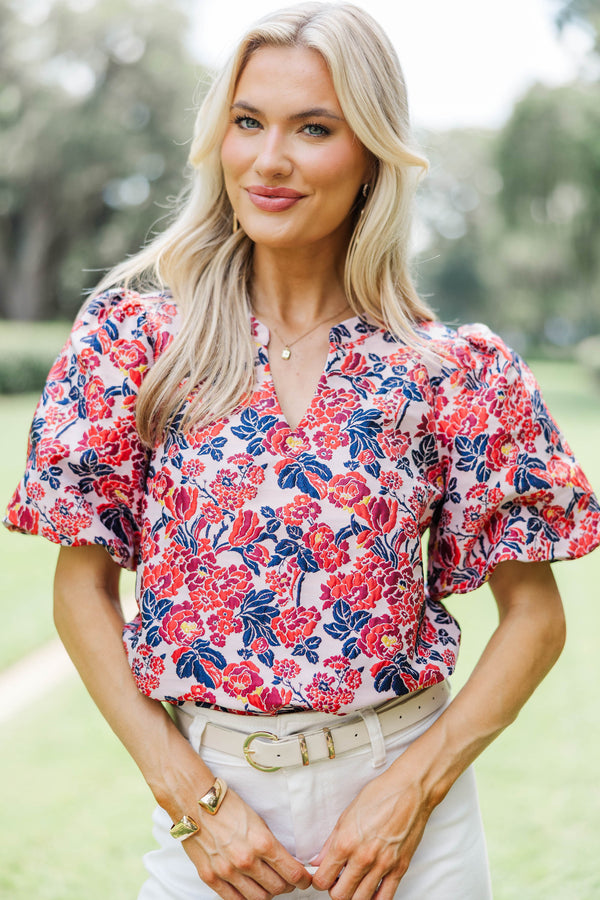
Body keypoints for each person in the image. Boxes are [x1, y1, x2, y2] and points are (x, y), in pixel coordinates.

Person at [5, 3, 600, 898]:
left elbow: (536, 620)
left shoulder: (450, 372)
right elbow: (81, 588)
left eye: (313, 128)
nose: (269, 159)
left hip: (411, 821)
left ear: (370, 154)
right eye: (248, 122)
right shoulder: (137, 342)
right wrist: (192, 800)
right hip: (210, 808)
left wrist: (414, 789)